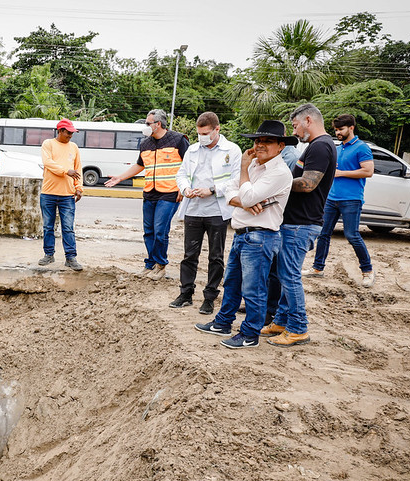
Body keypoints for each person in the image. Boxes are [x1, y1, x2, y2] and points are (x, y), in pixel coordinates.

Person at [195, 120, 294, 348]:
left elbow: (245, 195)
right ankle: (223, 322)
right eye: (258, 140)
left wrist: (242, 182)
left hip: (260, 237)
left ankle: (250, 334)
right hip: (243, 233)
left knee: (254, 289)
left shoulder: (279, 172)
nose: (260, 145)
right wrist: (242, 201)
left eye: (267, 141)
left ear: (280, 146)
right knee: (232, 283)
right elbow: (230, 190)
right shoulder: (254, 166)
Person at [262, 104, 336, 347]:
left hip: (301, 224)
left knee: (289, 276)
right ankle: (282, 321)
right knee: (285, 275)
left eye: (295, 125)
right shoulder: (316, 146)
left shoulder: (321, 146)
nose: (295, 131)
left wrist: (279, 183)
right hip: (296, 222)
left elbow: (308, 184)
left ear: (307, 119)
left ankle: (298, 328)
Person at [105, 109, 189, 280]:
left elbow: (190, 165)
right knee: (148, 231)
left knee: (160, 230)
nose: (145, 126)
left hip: (170, 192)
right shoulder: (145, 144)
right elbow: (140, 165)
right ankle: (149, 264)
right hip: (150, 192)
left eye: (148, 123)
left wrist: (183, 188)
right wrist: (120, 177)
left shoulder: (178, 140)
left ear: (158, 124)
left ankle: (160, 265)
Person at [171, 111, 241, 315]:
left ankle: (210, 297)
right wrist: (185, 189)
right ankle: (185, 293)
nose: (202, 137)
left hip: (217, 210)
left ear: (217, 130)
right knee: (189, 254)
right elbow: (181, 174)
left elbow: (236, 179)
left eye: (206, 133)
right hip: (193, 208)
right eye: (199, 133)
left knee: (216, 256)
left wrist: (212, 189)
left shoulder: (232, 150)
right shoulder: (192, 150)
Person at [306, 114, 375, 287]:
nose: (338, 133)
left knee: (352, 235)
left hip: (351, 199)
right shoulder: (337, 148)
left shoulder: (362, 148)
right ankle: (317, 268)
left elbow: (368, 171)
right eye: (336, 130)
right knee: (323, 234)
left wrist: (342, 173)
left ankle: (367, 271)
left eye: (341, 129)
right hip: (331, 198)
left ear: (351, 128)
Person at [39, 118, 84, 271]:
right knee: (48, 226)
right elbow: (48, 163)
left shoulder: (74, 147)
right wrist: (66, 171)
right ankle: (48, 254)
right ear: (60, 131)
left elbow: (78, 169)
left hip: (67, 195)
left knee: (68, 227)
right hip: (48, 193)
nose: (71, 135)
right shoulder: (48, 144)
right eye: (68, 132)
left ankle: (71, 257)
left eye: (72, 132)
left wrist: (79, 188)